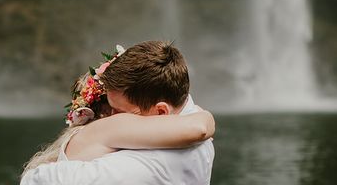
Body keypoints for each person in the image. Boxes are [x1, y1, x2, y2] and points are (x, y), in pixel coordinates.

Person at [21, 41, 215, 185]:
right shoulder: (188, 112)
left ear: (161, 112)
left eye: (119, 110)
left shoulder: (145, 167)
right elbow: (198, 125)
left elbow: (34, 181)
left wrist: (95, 134)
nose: (109, 115)